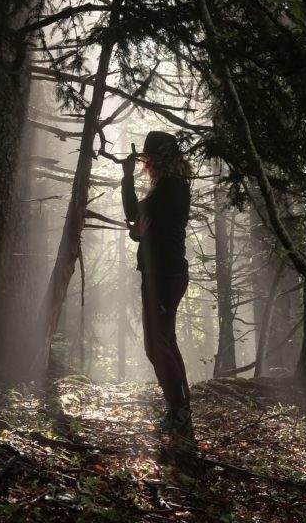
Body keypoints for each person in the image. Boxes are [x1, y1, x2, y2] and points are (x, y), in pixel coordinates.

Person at [121, 130, 192, 436]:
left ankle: (179, 413)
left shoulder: (170, 189)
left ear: (160, 159)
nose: (145, 162)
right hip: (164, 273)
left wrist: (125, 179)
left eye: (148, 156)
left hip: (164, 275)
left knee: (155, 345)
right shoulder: (169, 186)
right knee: (165, 342)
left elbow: (134, 214)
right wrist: (136, 234)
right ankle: (179, 409)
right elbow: (143, 227)